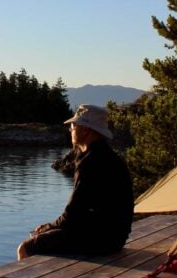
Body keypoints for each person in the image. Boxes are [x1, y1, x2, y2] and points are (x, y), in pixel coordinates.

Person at [17, 104, 134, 260]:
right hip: (115, 238)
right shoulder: (111, 157)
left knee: (26, 248)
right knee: (49, 237)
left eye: (73, 126)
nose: (70, 130)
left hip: (99, 241)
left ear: (85, 130)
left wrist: (47, 227)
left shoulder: (91, 162)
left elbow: (73, 214)